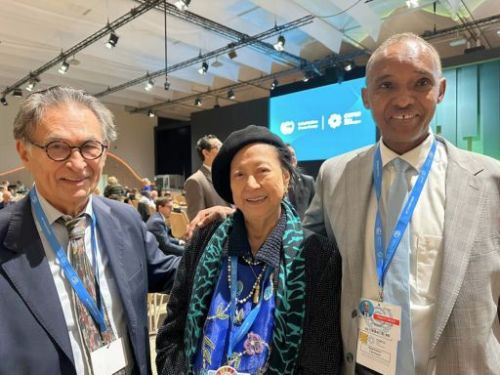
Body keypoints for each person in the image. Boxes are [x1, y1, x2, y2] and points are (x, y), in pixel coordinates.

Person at [303, 33, 500, 374]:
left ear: (440, 90)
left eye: (420, 83)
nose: (404, 100)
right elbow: (300, 250)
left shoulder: (489, 181)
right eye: (387, 85)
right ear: (367, 97)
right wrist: (239, 219)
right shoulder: (335, 175)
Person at [0, 86, 180, 375]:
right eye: (56, 147)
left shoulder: (125, 220)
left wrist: (231, 232)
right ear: (25, 152)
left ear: (104, 152)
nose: (77, 163)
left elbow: (175, 274)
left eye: (89, 147)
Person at [156, 125, 342, 375]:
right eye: (239, 175)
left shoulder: (317, 254)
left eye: (262, 171)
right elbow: (173, 331)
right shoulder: (206, 240)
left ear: (286, 177)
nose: (251, 184)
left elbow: (322, 357)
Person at [184, 134, 231, 220]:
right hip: (217, 232)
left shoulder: (225, 175)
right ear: (206, 153)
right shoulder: (195, 181)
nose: (223, 150)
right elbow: (197, 221)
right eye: (219, 147)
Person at [286, 144, 315, 220]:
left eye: (293, 155)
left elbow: (317, 211)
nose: (292, 158)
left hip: (304, 229)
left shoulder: (308, 181)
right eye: (288, 155)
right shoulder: (274, 183)